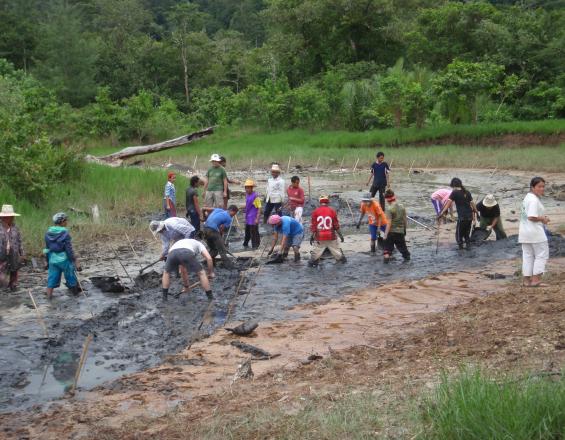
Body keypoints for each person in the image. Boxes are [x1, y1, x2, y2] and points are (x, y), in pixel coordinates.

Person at [518, 177, 550, 287]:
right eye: (539, 187)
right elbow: (532, 216)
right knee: (541, 254)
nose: (542, 189)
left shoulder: (527, 198)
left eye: (543, 186)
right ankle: (536, 279)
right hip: (535, 232)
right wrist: (543, 219)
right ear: (532, 187)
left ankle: (526, 281)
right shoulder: (533, 200)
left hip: (524, 232)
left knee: (527, 256)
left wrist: (541, 217)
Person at [45, 212, 81, 299]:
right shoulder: (65, 233)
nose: (67, 222)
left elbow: (47, 248)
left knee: (51, 279)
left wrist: (47, 261)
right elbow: (68, 249)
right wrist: (74, 260)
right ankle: (76, 299)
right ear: (62, 222)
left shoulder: (48, 232)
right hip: (64, 259)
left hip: (52, 259)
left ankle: (48, 298)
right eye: (66, 220)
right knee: (71, 276)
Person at [438, 178, 477, 250]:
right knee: (466, 233)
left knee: (459, 235)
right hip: (469, 216)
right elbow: (472, 204)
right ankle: (468, 248)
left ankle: (461, 250)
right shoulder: (467, 192)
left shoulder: (454, 192)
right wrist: (476, 212)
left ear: (453, 185)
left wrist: (442, 213)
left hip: (462, 217)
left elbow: (448, 204)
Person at [309, 195, 346, 267]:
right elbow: (336, 226)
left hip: (320, 236)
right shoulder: (332, 211)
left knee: (315, 255)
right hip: (331, 236)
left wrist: (312, 237)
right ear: (327, 202)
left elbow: (314, 226)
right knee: (338, 254)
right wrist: (341, 236)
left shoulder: (315, 212)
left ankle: (312, 265)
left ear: (320, 202)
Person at [0, 204, 24, 291]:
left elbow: (19, 240)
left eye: (12, 216)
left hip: (13, 253)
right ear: (3, 217)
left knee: (14, 270)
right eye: (9, 216)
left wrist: (22, 253)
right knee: (2, 273)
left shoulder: (15, 228)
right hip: (1, 254)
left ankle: (13, 286)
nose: (11, 218)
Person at [382, 190, 410, 263]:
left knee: (387, 251)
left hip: (391, 232)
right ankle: (407, 265)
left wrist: (385, 235)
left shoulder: (389, 209)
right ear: (394, 197)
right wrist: (404, 230)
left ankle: (385, 268)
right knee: (404, 251)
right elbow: (405, 220)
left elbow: (389, 223)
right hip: (400, 232)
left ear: (387, 200)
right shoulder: (402, 206)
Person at [243, 179, 261, 249]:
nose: (247, 189)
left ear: (251, 188)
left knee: (254, 233)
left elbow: (259, 208)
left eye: (248, 188)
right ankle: (245, 244)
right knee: (247, 233)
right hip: (248, 217)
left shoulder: (256, 197)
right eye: (246, 188)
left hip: (253, 218)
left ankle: (255, 246)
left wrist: (257, 218)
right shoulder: (247, 195)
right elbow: (247, 204)